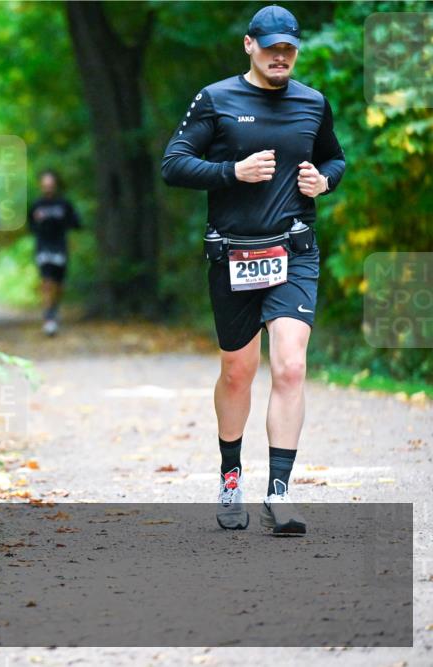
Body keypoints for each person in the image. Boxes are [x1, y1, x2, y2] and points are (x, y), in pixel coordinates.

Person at [161, 4, 345, 535]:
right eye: (270, 48)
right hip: (233, 255)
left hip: (293, 252)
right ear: (249, 46)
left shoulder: (313, 103)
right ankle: (230, 477)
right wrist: (230, 172)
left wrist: (325, 181)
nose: (280, 56)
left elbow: (334, 158)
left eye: (288, 48)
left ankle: (280, 494)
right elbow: (173, 164)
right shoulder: (216, 99)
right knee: (238, 372)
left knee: (289, 366)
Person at [28, 170, 81, 336]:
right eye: (45, 185)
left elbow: (76, 223)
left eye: (50, 184)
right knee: (47, 281)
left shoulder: (64, 204)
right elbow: (30, 227)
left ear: (55, 185)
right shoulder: (36, 205)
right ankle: (48, 317)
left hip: (60, 246)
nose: (48, 187)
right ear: (41, 186)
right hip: (43, 246)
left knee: (58, 284)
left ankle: (54, 308)